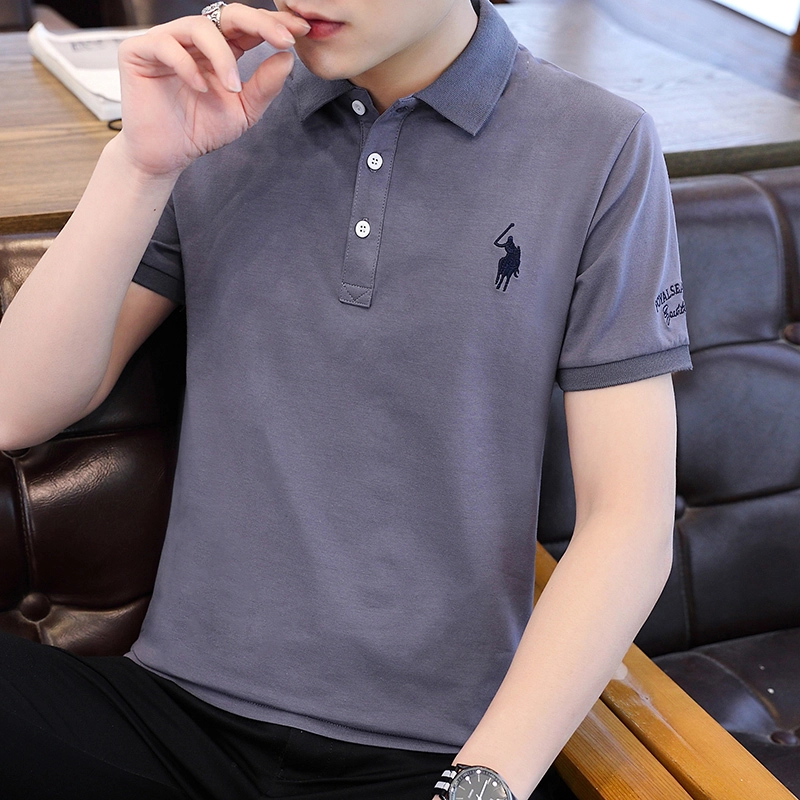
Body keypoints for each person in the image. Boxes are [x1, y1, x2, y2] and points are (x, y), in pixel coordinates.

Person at [0, 1, 691, 798]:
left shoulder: (598, 144)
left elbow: (628, 522)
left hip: (428, 756)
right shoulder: (224, 107)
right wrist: (137, 165)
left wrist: (483, 783)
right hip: (172, 715)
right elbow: (18, 407)